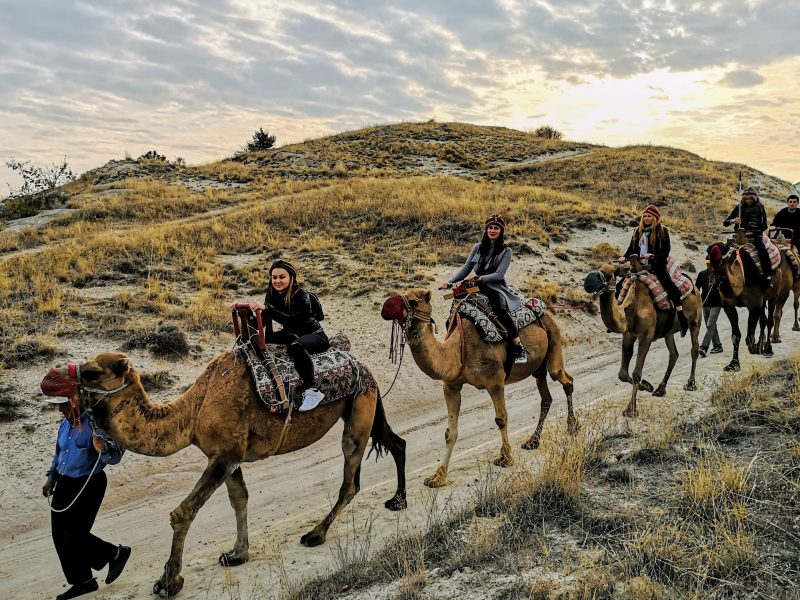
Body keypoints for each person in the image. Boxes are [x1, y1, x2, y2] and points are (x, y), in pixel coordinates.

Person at [42, 397, 130, 600]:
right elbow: (59, 454)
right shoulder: (65, 425)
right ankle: (83, 582)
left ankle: (115, 554)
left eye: (64, 405)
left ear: (76, 402)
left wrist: (103, 447)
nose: (61, 410)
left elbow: (115, 456)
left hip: (89, 483)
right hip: (64, 483)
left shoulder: (97, 423)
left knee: (74, 535)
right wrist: (51, 478)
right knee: (59, 535)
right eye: (59, 406)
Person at [233, 259, 329, 411]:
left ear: (291, 277)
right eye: (274, 277)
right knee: (260, 343)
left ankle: (312, 390)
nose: (277, 281)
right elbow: (263, 321)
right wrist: (245, 312)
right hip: (291, 334)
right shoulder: (272, 294)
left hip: (314, 335)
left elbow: (294, 322)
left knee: (296, 347)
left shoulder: (302, 296)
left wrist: (267, 308)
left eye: (282, 277)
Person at [440, 214, 528, 364]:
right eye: (490, 227)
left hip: (494, 287)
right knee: (457, 306)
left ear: (501, 231)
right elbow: (466, 268)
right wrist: (450, 283)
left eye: (496, 228)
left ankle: (518, 346)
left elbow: (499, 274)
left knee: (499, 309)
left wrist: (481, 278)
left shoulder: (506, 251)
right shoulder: (477, 248)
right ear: (486, 229)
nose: (492, 230)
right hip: (474, 286)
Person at [622, 204, 688, 335]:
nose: (646, 218)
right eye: (644, 216)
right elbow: (631, 250)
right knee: (620, 286)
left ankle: (680, 314)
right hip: (639, 267)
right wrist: (624, 257)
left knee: (669, 285)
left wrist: (653, 256)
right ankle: (620, 315)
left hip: (657, 266)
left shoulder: (662, 231)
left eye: (649, 216)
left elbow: (665, 251)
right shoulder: (637, 231)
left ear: (655, 218)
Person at [723, 186, 771, 287]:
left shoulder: (760, 207)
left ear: (754, 198)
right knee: (723, 251)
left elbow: (764, 226)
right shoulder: (739, 207)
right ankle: (720, 275)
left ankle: (767, 275)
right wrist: (733, 221)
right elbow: (725, 223)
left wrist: (754, 230)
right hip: (739, 236)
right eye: (746, 199)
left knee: (763, 252)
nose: (748, 200)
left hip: (755, 237)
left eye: (750, 199)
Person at [695, 261, 724, 357]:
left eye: (711, 263)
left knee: (710, 324)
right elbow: (697, 288)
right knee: (711, 326)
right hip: (705, 303)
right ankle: (717, 345)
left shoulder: (719, 274)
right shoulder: (702, 274)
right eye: (707, 263)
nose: (709, 265)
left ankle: (704, 347)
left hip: (716, 303)